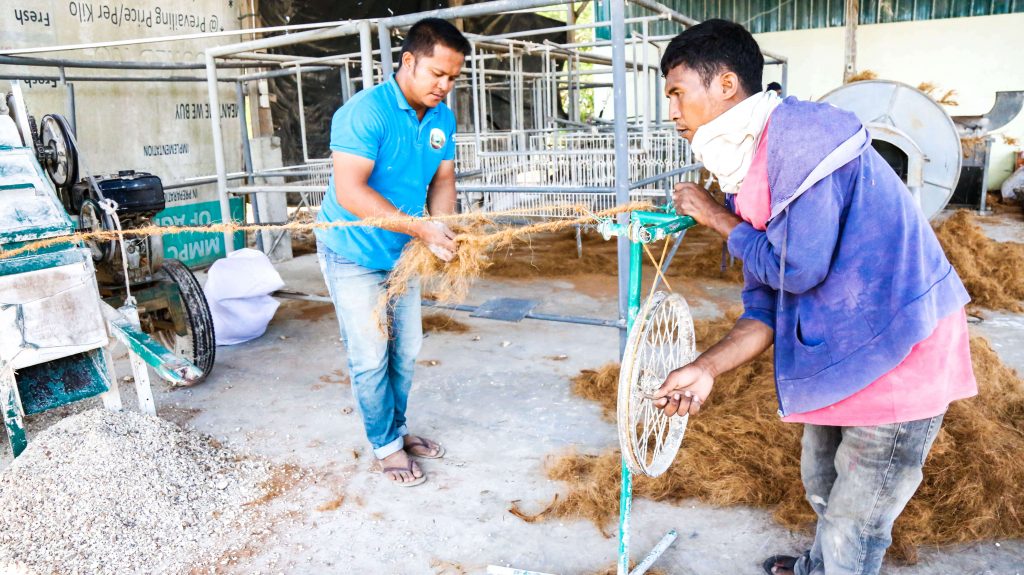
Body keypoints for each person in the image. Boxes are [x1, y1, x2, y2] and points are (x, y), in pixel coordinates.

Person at [650, 19, 977, 575]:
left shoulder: (802, 138)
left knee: (859, 520)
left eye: (678, 93)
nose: (673, 112)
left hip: (899, 349)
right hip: (839, 344)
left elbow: (797, 268)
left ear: (726, 85)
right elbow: (766, 302)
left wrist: (712, 216)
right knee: (822, 483)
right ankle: (815, 569)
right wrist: (705, 368)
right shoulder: (748, 168)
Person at [315, 17, 469, 487]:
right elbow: (349, 192)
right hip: (353, 250)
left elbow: (443, 181)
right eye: (436, 74)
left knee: (406, 351)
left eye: (453, 78)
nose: (444, 86)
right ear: (408, 61)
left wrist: (442, 227)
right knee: (369, 353)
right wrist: (420, 227)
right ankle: (385, 445)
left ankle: (396, 430)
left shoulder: (442, 117)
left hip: (404, 251)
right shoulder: (366, 112)